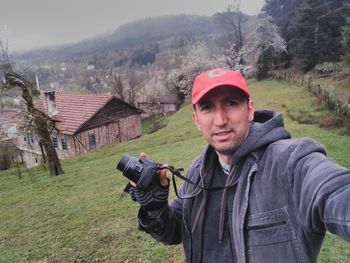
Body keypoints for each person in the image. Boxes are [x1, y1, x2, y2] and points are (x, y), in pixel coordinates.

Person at [128, 68, 350, 263]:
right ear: (196, 120)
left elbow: (334, 190)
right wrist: (155, 209)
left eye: (231, 103)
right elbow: (175, 231)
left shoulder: (291, 162)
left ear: (250, 110)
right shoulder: (198, 172)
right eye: (207, 107)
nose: (220, 119)